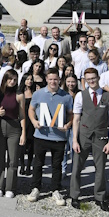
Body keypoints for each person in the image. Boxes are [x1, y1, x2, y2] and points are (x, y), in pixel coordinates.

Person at [70, 67, 109, 212]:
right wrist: (74, 140)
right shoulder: (80, 95)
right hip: (83, 135)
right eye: (88, 79)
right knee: (77, 167)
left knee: (101, 169)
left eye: (93, 78)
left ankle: (100, 197)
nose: (91, 81)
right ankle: (74, 196)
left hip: (101, 137)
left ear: (98, 78)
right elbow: (76, 119)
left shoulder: (108, 96)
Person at [26, 68, 73, 206]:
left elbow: (71, 114)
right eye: (50, 79)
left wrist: (67, 125)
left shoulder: (66, 96)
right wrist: (34, 121)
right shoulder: (38, 94)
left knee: (56, 166)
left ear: (59, 80)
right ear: (46, 79)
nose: (53, 81)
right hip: (41, 135)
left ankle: (55, 189)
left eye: (55, 79)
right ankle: (35, 188)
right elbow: (31, 109)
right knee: (38, 163)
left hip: (59, 137)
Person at [0, 70, 26, 198]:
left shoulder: (19, 95)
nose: (12, 82)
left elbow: (22, 115)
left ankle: (10, 187)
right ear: (5, 79)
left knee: (13, 160)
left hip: (14, 127)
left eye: (14, 79)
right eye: (10, 79)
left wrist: (23, 133)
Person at [18, 73, 35, 175]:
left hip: (32, 119)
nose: (30, 81)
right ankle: (22, 165)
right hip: (23, 119)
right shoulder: (20, 92)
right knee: (21, 145)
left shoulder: (35, 92)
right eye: (28, 79)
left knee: (31, 144)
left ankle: (29, 165)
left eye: (31, 79)